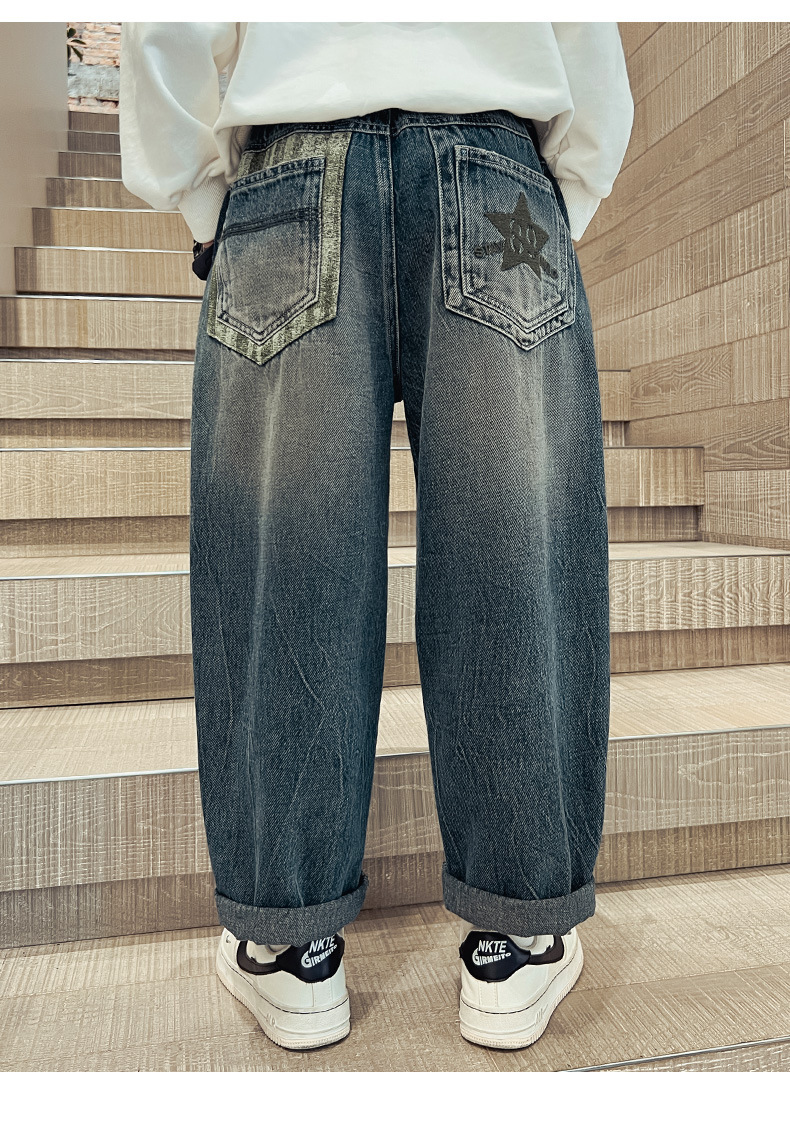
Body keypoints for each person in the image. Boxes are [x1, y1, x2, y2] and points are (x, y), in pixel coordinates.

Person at [119, 21, 634, 1053]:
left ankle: (289, 942)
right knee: (515, 552)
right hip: (498, 182)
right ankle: (519, 932)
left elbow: (166, 26)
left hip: (289, 177)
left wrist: (202, 198)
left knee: (286, 558)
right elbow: (583, 40)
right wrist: (561, 192)